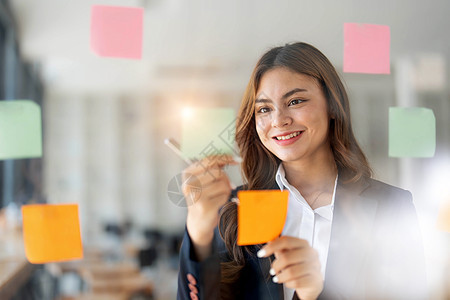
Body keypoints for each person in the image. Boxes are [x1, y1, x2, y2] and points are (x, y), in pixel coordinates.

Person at [177, 42, 426, 300]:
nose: (278, 120)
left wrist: (315, 293)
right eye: (264, 109)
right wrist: (197, 231)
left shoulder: (391, 207)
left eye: (295, 101)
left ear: (332, 105)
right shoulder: (239, 209)